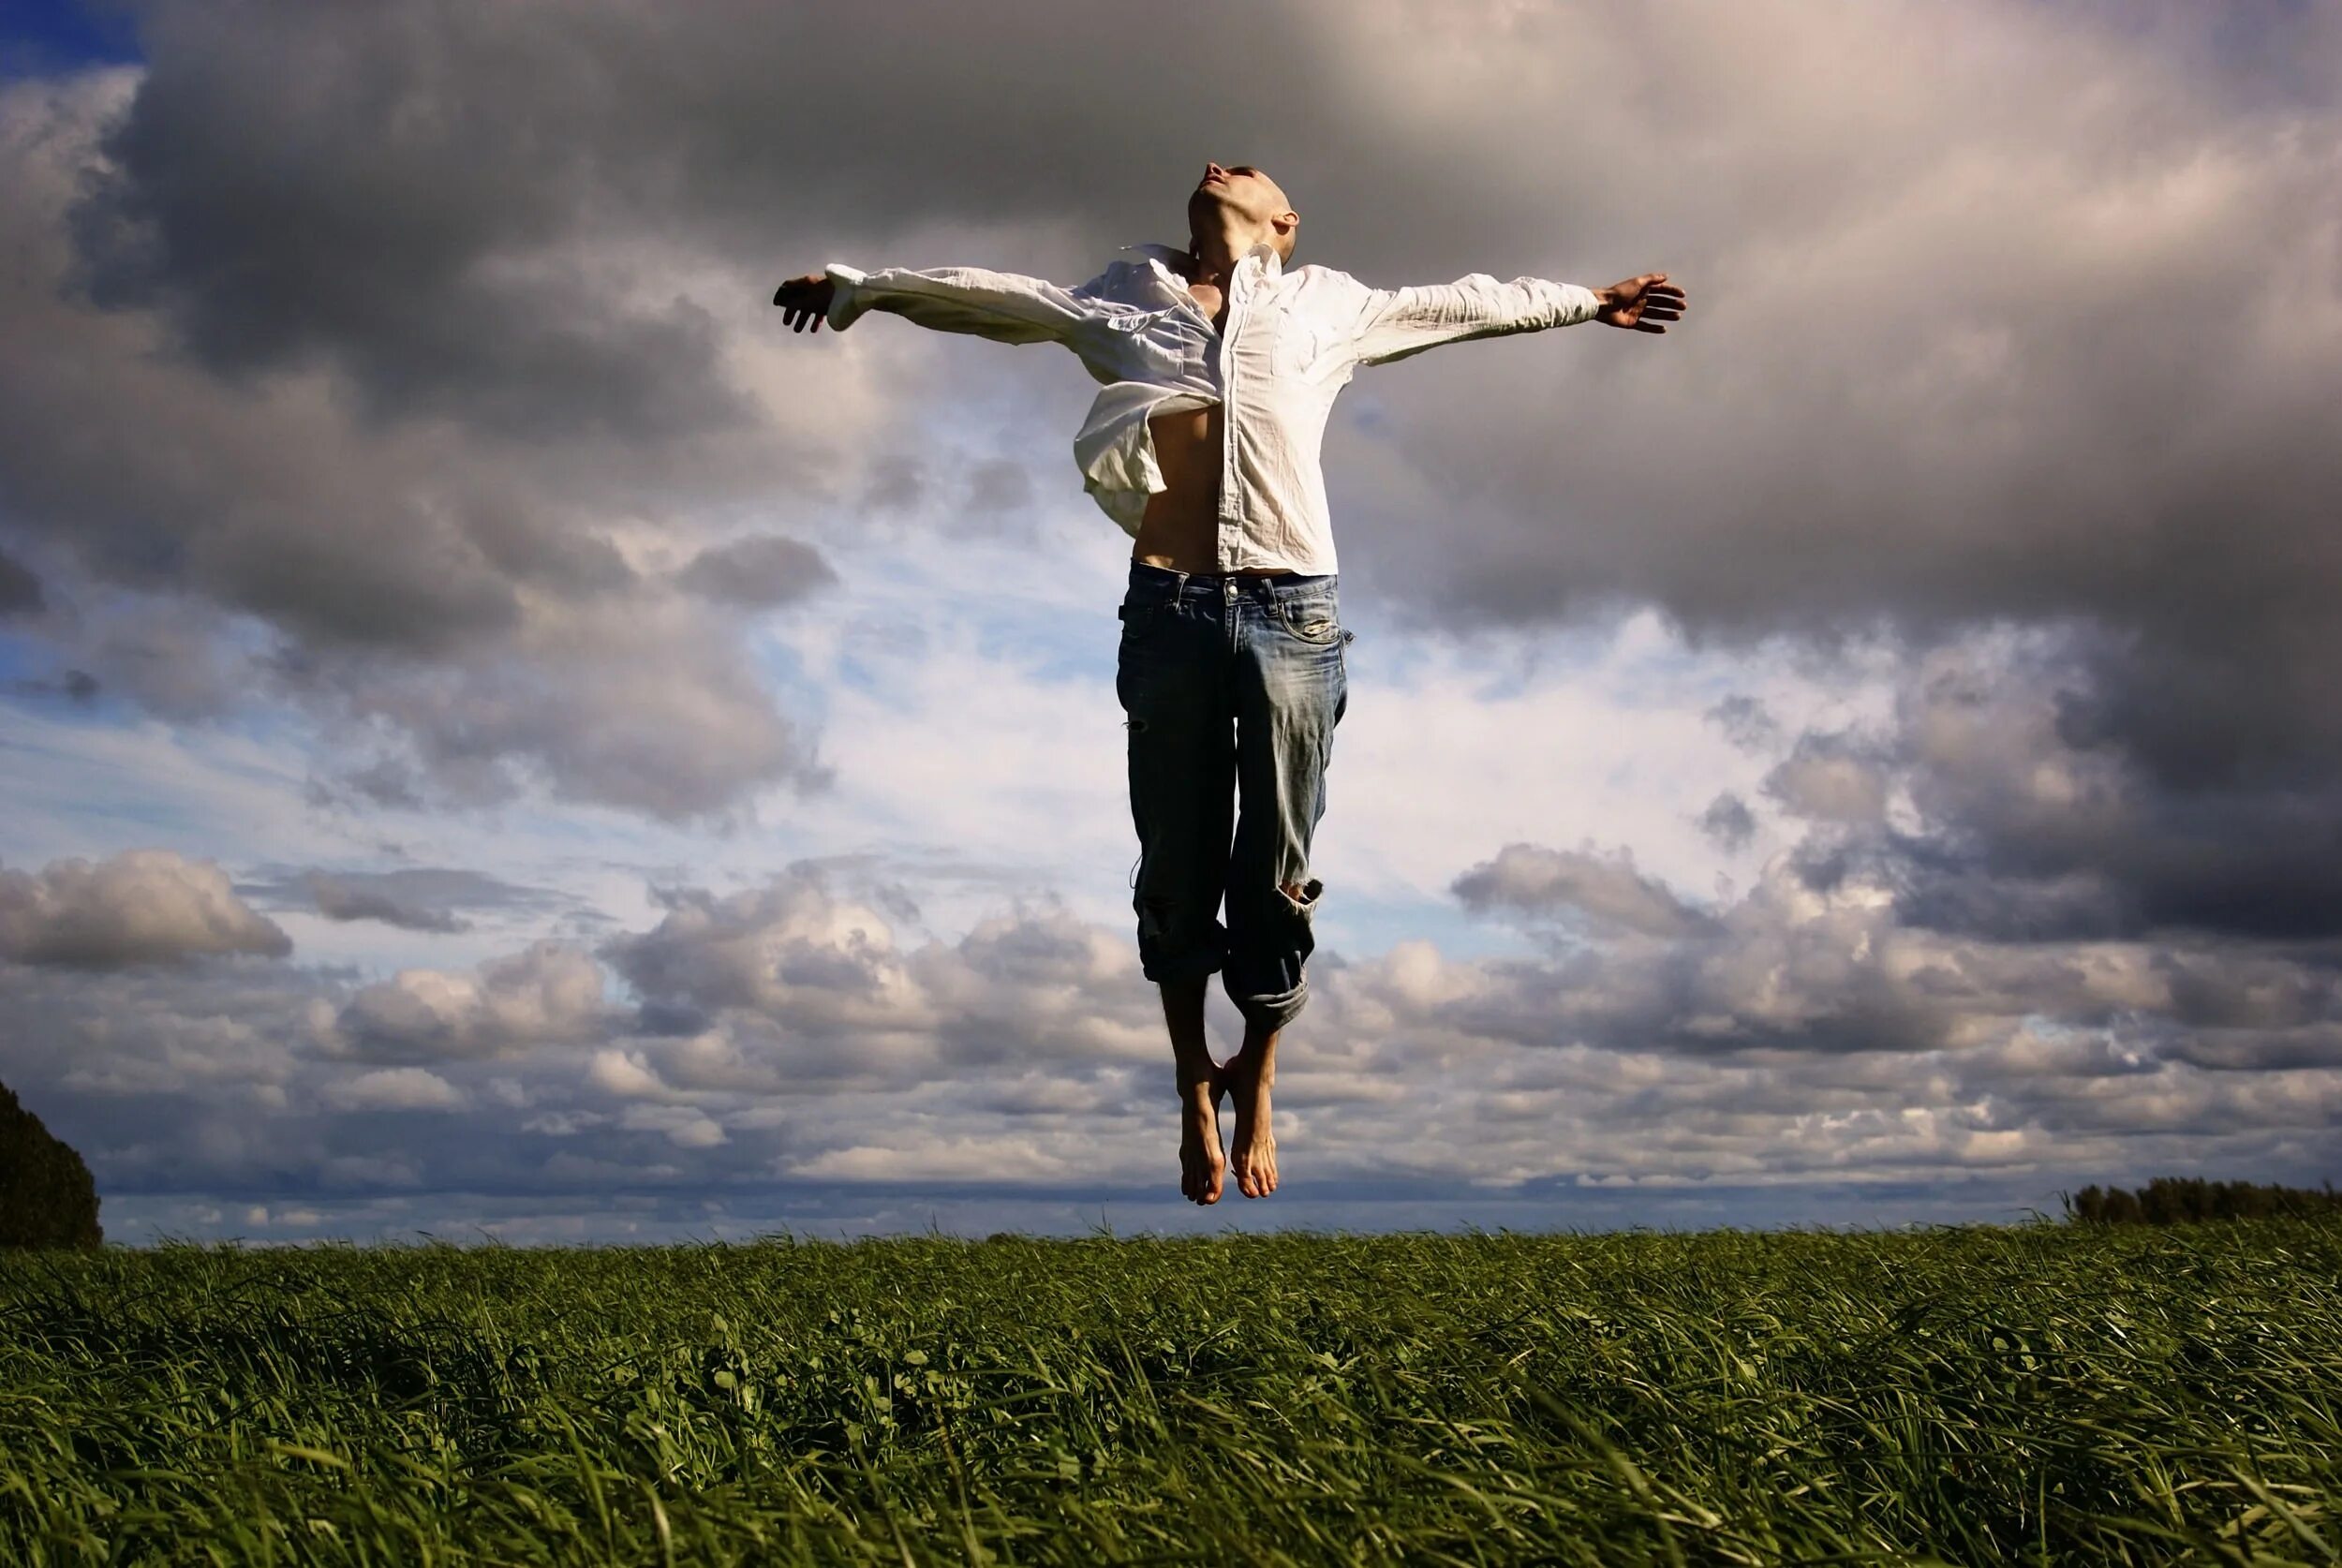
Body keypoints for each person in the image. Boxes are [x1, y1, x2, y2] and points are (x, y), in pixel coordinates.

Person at [773, 161, 1686, 1206]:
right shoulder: (1126, 296)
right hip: (1169, 611)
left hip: (1294, 612)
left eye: (1243, 170)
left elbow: (1459, 303)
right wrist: (862, 288)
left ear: (1282, 223)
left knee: (1275, 868)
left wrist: (1586, 300)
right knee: (1175, 859)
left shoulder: (1324, 307)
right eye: (1212, 166)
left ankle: (1256, 1080)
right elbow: (1006, 300)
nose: (1218, 167)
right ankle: (1188, 1085)